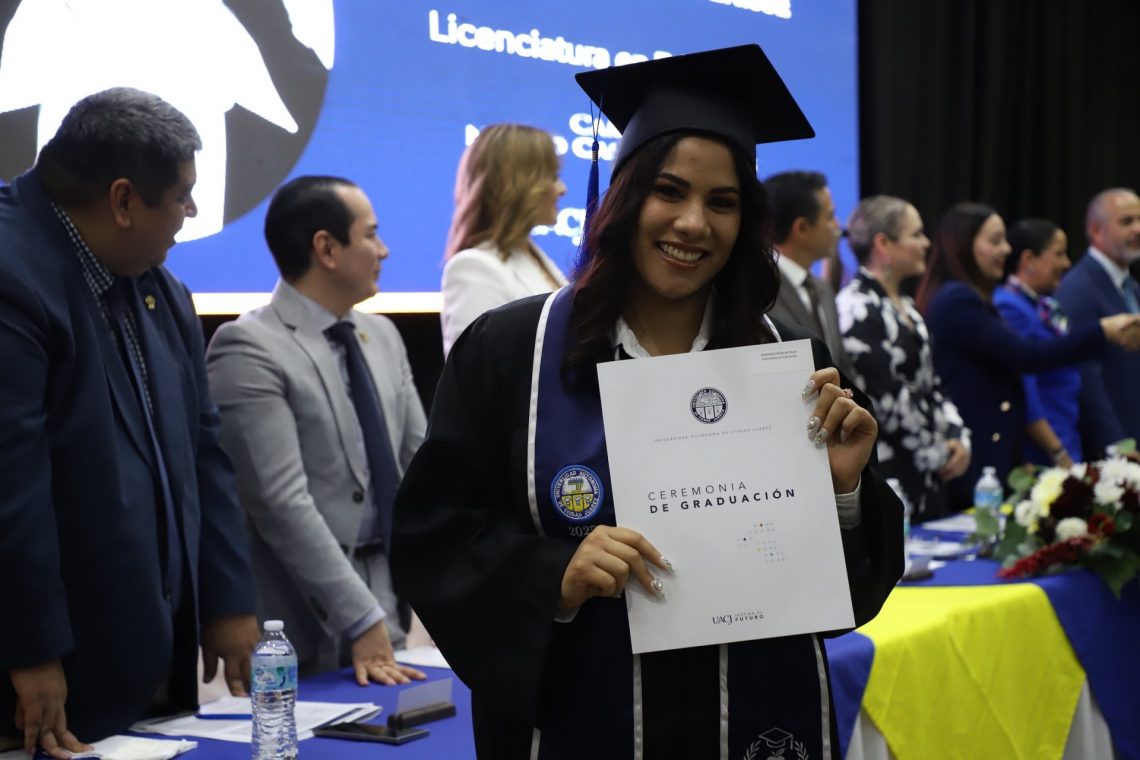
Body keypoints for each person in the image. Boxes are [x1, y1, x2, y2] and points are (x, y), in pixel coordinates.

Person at [391, 45, 903, 760]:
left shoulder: (788, 361)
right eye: (669, 191)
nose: (693, 223)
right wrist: (553, 577)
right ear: (624, 198)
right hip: (576, 718)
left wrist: (842, 494)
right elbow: (435, 537)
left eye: (722, 203)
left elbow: (843, 593)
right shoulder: (512, 352)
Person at [0, 88, 259, 757]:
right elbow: (10, 485)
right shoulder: (10, 273)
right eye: (182, 195)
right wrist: (31, 650)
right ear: (122, 201)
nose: (191, 212)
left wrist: (228, 599)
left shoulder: (159, 286)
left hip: (149, 666)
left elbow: (204, 451)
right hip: (48, 679)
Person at [206, 176, 427, 686]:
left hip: (388, 600)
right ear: (326, 249)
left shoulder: (382, 335)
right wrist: (361, 616)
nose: (384, 250)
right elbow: (280, 503)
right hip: (296, 624)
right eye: (370, 234)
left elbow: (423, 463)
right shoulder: (247, 347)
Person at [915, 203, 1140, 510]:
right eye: (995, 240)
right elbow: (1025, 357)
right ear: (964, 245)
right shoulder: (958, 299)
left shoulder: (981, 300)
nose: (1006, 249)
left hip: (1008, 452)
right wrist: (1101, 330)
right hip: (978, 460)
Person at [837, 196, 970, 521]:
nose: (926, 243)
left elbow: (933, 384)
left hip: (929, 474)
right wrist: (940, 453)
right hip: (891, 476)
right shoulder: (856, 307)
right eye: (916, 234)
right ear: (883, 244)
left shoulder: (908, 306)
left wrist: (958, 437)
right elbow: (886, 401)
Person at [440, 123, 569, 357]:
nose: (562, 189)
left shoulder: (533, 255)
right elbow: (472, 370)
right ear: (520, 184)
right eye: (553, 177)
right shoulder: (473, 267)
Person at [1055, 188, 1140, 457]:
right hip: (1112, 451)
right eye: (1126, 221)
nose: (1138, 229)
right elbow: (1085, 377)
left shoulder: (1131, 286)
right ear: (1096, 231)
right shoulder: (1078, 288)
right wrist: (1116, 444)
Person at [993, 219, 1083, 467]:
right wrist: (1057, 451)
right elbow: (1026, 390)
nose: (1066, 263)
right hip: (1042, 453)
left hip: (1067, 436)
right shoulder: (1009, 307)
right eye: (1059, 254)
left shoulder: (1045, 306)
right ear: (1029, 259)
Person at [764, 170, 857, 380]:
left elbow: (842, 368)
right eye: (830, 216)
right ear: (802, 228)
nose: (837, 226)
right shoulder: (759, 290)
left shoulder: (823, 290)